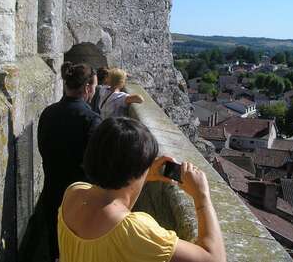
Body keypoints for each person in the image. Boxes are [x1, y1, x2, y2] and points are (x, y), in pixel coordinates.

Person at [58, 117, 226, 262]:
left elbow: (113, 205)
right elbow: (214, 259)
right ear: (134, 172)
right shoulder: (133, 231)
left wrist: (143, 174)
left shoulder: (73, 193)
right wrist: (202, 196)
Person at [38, 62, 102, 261]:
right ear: (87, 88)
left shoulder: (48, 113)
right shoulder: (92, 120)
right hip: (80, 198)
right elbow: (96, 166)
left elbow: (43, 149)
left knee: (56, 250)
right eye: (95, 87)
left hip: (51, 191)